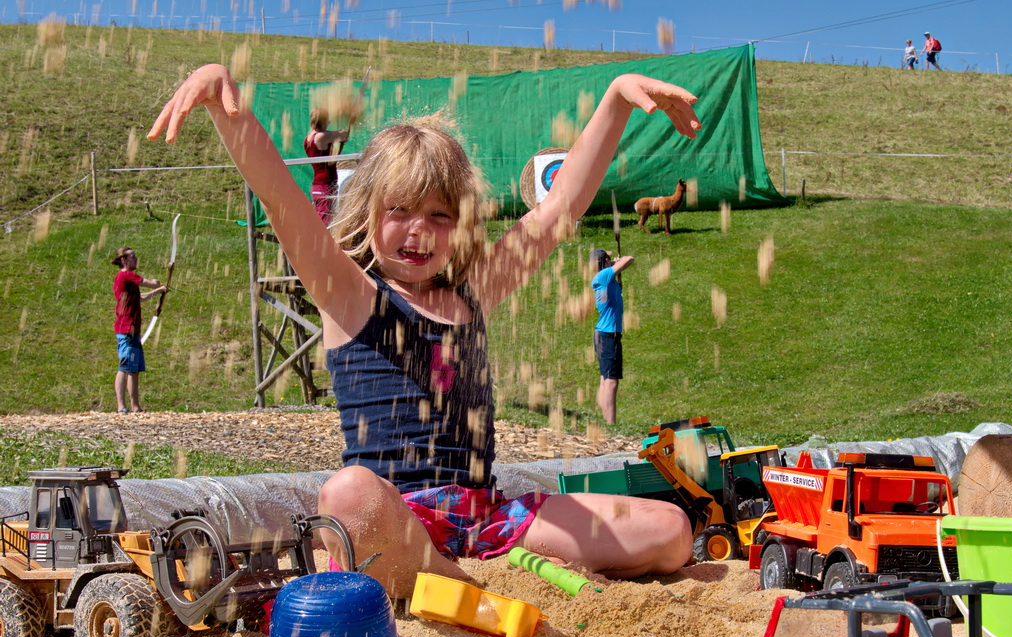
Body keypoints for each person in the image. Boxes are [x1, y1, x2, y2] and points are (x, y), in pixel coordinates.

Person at [148, 64, 700, 599]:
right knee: (346, 496)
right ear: (366, 211)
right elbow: (281, 201)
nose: (419, 231)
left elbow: (560, 208)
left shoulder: (473, 292)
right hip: (397, 519)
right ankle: (448, 580)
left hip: (486, 520)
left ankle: (452, 577)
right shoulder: (348, 292)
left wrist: (616, 99)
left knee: (670, 530)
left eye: (440, 215)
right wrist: (230, 113)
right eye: (401, 209)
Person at [111, 247, 167, 413]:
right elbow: (147, 282)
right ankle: (121, 406)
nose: (136, 260)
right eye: (132, 257)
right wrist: (156, 283)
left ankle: (136, 406)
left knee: (134, 369)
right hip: (126, 329)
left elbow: (141, 297)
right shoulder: (125, 275)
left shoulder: (129, 280)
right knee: (125, 366)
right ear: (124, 260)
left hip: (133, 330)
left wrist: (159, 291)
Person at [590, 248, 633, 425]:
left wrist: (613, 265)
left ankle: (605, 420)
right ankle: (611, 423)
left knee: (605, 379)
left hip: (603, 334)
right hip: (608, 335)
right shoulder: (604, 275)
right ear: (606, 261)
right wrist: (618, 262)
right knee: (611, 382)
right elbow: (630, 259)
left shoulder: (604, 277)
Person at [305, 107, 350, 224]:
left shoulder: (308, 138)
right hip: (325, 185)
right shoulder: (320, 136)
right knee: (325, 223)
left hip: (321, 185)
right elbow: (343, 134)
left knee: (327, 219)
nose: (329, 122)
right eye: (327, 120)